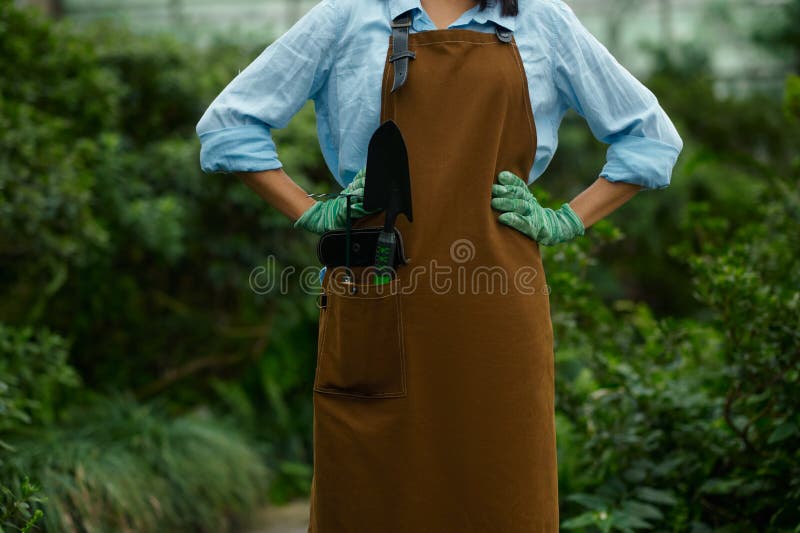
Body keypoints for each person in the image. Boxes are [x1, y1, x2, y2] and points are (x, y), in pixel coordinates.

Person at [196, 0, 683, 531]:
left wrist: (564, 220)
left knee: (498, 500)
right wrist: (314, 211)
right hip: (376, 299)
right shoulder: (347, 15)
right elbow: (230, 125)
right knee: (367, 503)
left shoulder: (542, 19)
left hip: (496, 313)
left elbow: (649, 138)